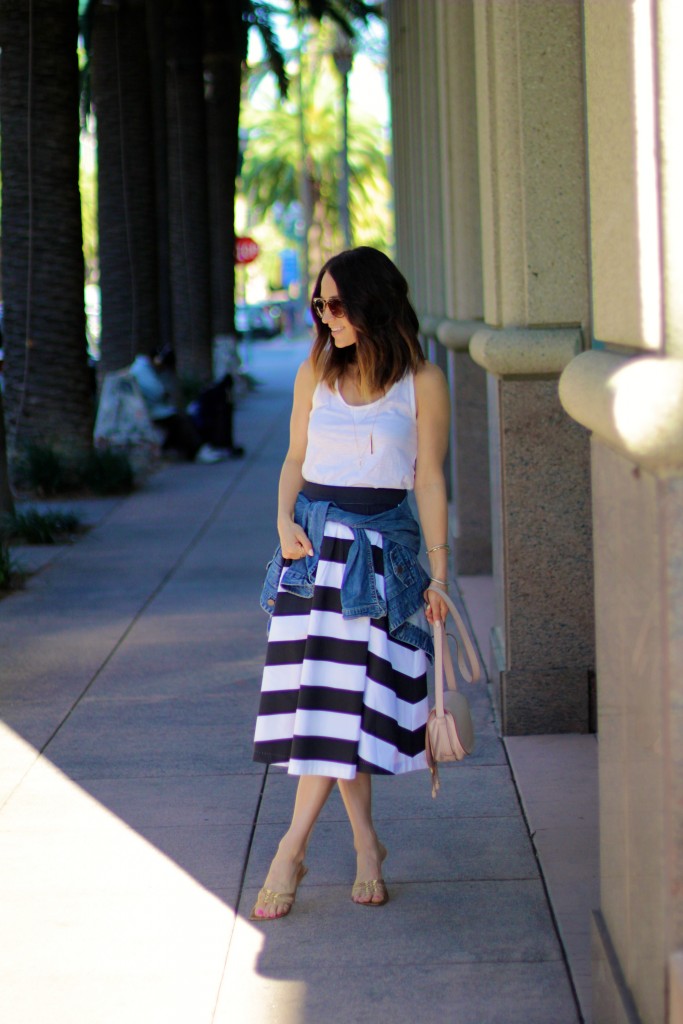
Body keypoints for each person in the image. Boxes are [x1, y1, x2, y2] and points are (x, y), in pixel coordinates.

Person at [251, 246, 451, 920]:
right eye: (319, 304)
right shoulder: (315, 371)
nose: (324, 316)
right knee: (335, 711)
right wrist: (281, 520)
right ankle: (359, 847)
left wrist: (440, 573)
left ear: (372, 304)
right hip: (314, 554)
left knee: (340, 710)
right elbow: (293, 460)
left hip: (383, 558)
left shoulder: (421, 382)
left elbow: (427, 479)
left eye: (335, 304)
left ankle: (292, 849)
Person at [129, 353, 226, 464]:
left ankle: (197, 448)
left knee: (184, 417)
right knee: (180, 420)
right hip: (151, 411)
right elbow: (156, 391)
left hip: (155, 408)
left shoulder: (144, 368)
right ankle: (197, 449)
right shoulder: (142, 370)